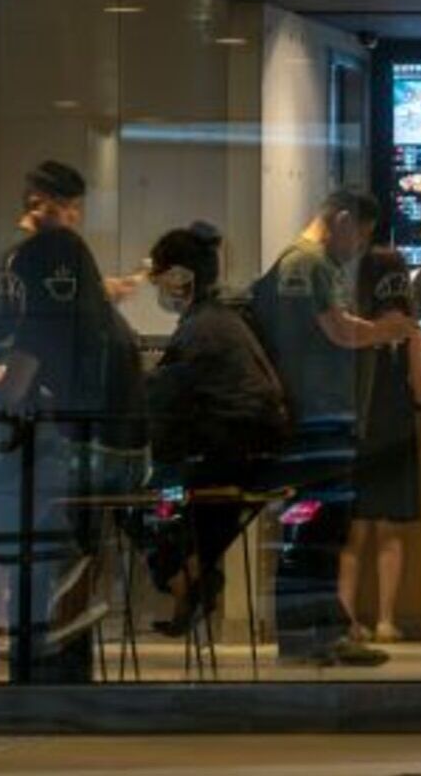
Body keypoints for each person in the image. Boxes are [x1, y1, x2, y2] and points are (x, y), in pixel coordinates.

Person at [0, 160, 146, 682]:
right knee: (54, 546)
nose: (66, 216)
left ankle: (44, 663)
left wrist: (7, 387)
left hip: (45, 429)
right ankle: (51, 662)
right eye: (60, 206)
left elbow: (36, 338)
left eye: (71, 208)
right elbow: (44, 333)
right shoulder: (47, 256)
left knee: (45, 546)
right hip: (60, 430)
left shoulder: (40, 256)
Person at [246, 189, 413, 669]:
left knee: (317, 530)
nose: (358, 247)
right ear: (341, 219)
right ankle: (309, 635)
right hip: (315, 418)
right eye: (359, 234)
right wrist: (387, 331)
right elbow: (337, 330)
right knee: (314, 530)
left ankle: (318, 633)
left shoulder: (298, 264)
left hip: (314, 415)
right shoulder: (309, 264)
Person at [139, 223, 287, 640]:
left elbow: (166, 404)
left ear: (179, 278)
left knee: (147, 503)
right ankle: (193, 576)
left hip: (227, 455)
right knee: (176, 505)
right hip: (251, 454)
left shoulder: (198, 329)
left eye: (159, 278)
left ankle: (187, 579)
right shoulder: (221, 320)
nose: (157, 288)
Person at [342, 247, 421, 644]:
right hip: (396, 434)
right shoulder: (408, 328)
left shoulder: (354, 326)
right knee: (389, 534)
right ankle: (385, 621)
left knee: (353, 535)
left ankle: (347, 621)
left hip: (358, 435)